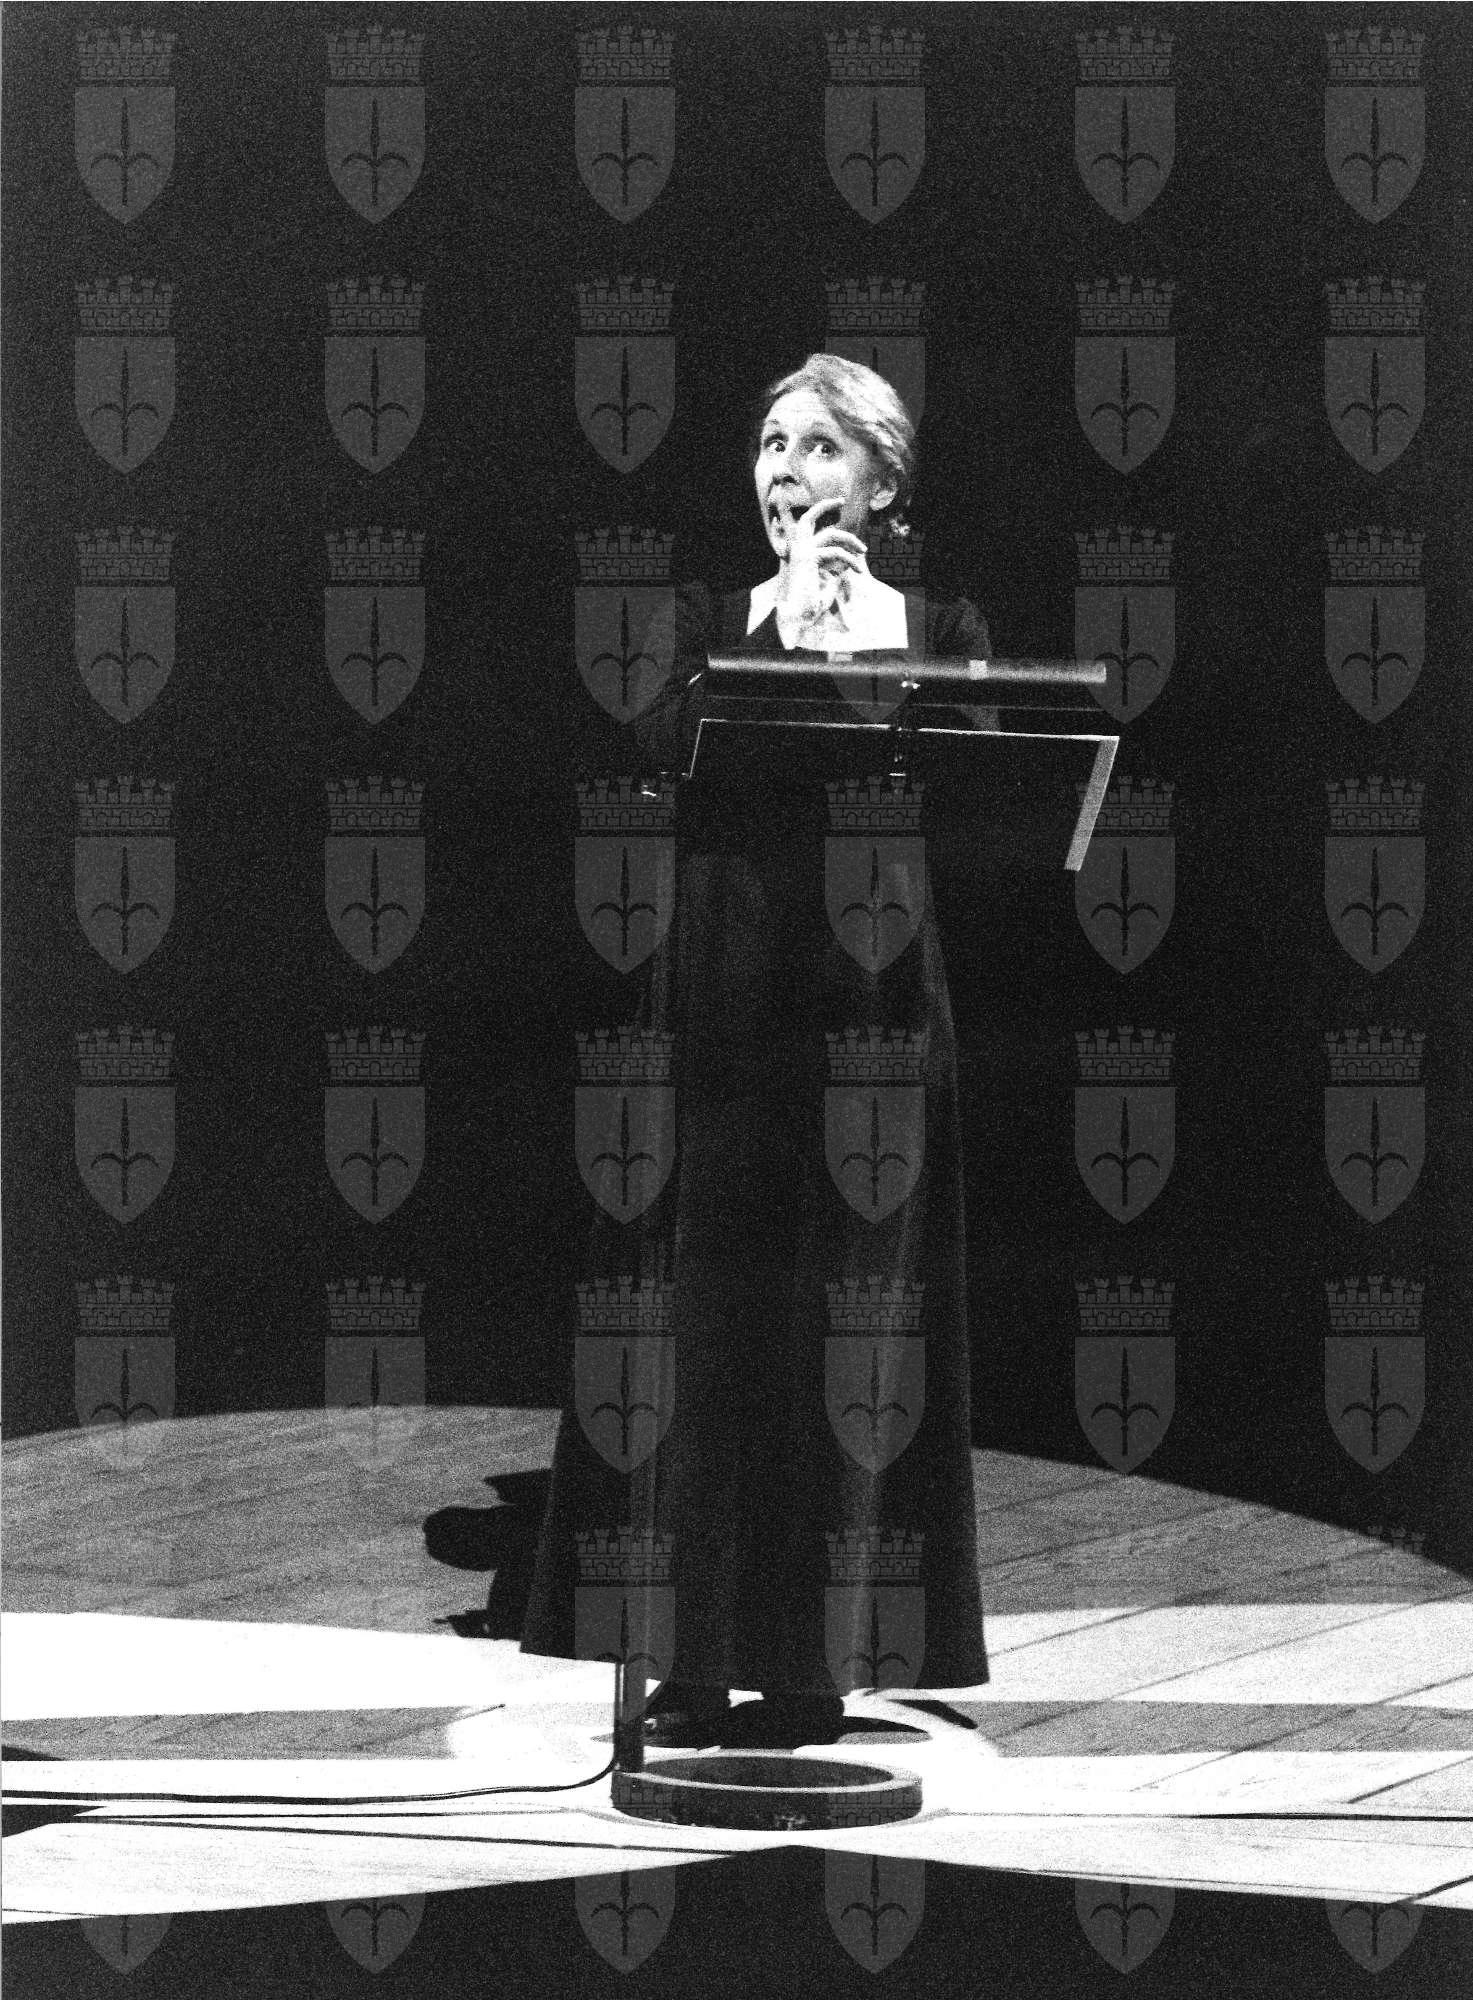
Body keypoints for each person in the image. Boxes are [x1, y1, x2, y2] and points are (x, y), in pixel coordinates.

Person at [520, 353, 990, 1747]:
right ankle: (686, 1656)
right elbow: (659, 742)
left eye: (821, 446)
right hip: (724, 1001)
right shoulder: (708, 618)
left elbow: (978, 791)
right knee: (706, 1322)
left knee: (849, 1323)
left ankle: (811, 1664)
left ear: (883, 482)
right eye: (773, 443)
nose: (786, 468)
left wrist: (859, 652)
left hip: (874, 1009)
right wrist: (790, 620)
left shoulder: (943, 626)